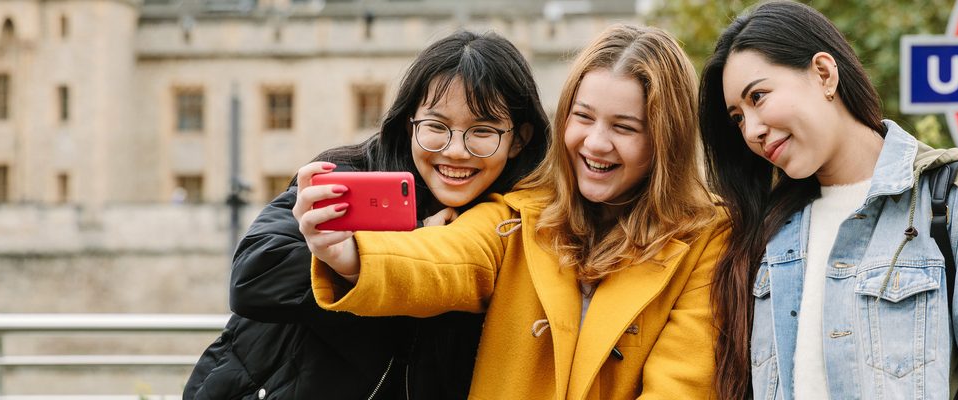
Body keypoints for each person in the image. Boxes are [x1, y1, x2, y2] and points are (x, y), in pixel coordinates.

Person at [296, 24, 727, 399]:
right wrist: (349, 257)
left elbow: (683, 381)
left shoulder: (707, 239)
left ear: (665, 140)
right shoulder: (520, 211)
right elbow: (447, 259)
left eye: (624, 127)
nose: (595, 143)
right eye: (583, 117)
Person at [698, 2, 958, 399]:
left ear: (824, 73)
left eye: (759, 97)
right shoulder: (766, 230)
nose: (752, 130)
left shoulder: (949, 200)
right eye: (737, 117)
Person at [184, 29, 550, 400]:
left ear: (518, 138)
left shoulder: (513, 224)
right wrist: (396, 245)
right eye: (436, 127)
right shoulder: (350, 174)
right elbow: (253, 278)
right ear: (409, 122)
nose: (455, 150)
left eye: (482, 131)